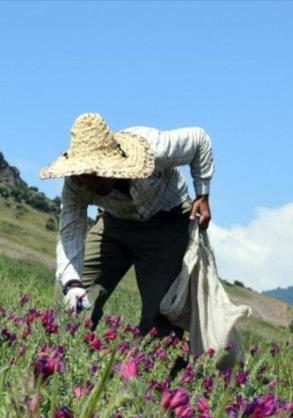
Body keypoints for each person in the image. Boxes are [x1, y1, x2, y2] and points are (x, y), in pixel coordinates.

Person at [40, 112, 214, 341]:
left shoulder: (154, 149)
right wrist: (72, 283)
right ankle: (62, 353)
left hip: (166, 222)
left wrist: (202, 194)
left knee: (162, 312)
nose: (90, 183)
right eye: (84, 175)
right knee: (71, 294)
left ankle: (156, 362)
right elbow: (71, 232)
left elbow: (200, 140)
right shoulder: (75, 183)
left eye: (96, 174)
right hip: (114, 222)